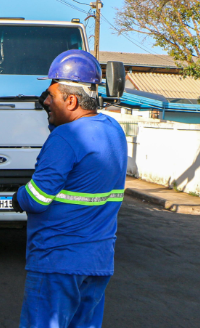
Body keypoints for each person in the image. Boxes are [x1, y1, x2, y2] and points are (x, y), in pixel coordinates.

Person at [12, 50, 127, 328]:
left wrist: (17, 198)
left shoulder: (67, 136)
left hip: (58, 260)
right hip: (98, 261)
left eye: (51, 95)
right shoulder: (113, 129)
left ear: (72, 100)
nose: (45, 101)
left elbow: (38, 198)